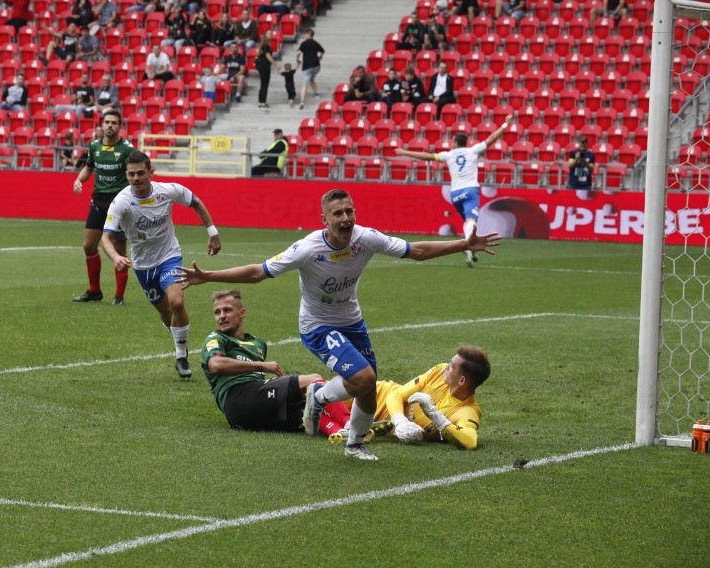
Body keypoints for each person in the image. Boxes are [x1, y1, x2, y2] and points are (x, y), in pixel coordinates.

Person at [177, 189, 501, 460]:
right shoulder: (306, 249)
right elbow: (258, 272)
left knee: (367, 389)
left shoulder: (366, 238)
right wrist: (209, 276)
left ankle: (346, 435)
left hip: (352, 322)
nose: (345, 218)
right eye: (338, 214)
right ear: (325, 220)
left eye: (349, 211)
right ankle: (337, 419)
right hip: (317, 326)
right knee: (364, 377)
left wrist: (463, 244)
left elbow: (415, 250)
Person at [101, 150, 221, 378]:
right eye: (131, 175)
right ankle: (178, 336)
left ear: (150, 172)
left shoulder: (167, 191)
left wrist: (212, 232)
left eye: (141, 174)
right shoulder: (121, 202)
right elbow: (105, 237)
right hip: (143, 265)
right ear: (126, 175)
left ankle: (181, 356)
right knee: (166, 312)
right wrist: (116, 257)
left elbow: (195, 202)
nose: (136, 179)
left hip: (169, 256)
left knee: (176, 303)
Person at [320, 345, 491, 450]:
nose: (446, 367)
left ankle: (350, 427)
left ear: (462, 380)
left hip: (373, 417)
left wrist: (436, 416)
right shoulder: (439, 372)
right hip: (377, 394)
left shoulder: (466, 410)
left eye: (452, 366)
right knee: (315, 387)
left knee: (308, 407)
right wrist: (399, 420)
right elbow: (397, 394)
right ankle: (348, 426)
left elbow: (470, 441)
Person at [202, 289, 325, 431]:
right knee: (315, 381)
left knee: (316, 407)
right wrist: (260, 365)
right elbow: (216, 365)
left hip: (253, 409)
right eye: (217, 312)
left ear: (241, 313)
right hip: (237, 398)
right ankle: (348, 427)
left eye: (227, 310)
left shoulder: (258, 344)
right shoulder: (216, 338)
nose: (221, 316)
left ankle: (341, 431)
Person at [395, 119, 510, 267]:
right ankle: (468, 246)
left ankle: (470, 246)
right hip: (470, 190)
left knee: (468, 222)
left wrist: (404, 152)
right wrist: (505, 124)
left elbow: (427, 156)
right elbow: (491, 138)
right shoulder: (473, 150)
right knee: (471, 221)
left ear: (455, 142)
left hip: (455, 194)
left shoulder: (448, 155)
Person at [72, 109, 135, 306]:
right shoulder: (94, 146)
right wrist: (79, 179)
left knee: (118, 249)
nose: (109, 126)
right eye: (107, 122)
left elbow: (135, 169)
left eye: (114, 123)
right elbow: (89, 167)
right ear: (102, 125)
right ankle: (94, 291)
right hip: (98, 201)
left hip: (118, 203)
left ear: (119, 126)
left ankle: (119, 296)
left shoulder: (126, 149)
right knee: (89, 246)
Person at [296, 28, 324, 110]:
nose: (304, 35)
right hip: (316, 66)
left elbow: (298, 52)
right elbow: (322, 51)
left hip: (307, 66)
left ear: (309, 35)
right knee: (311, 78)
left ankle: (302, 101)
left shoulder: (304, 44)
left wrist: (297, 59)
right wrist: (320, 57)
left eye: (305, 34)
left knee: (305, 84)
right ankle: (316, 93)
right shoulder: (316, 43)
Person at [254, 29, 278, 109]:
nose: (270, 34)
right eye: (268, 33)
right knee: (265, 84)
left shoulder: (263, 45)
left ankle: (260, 101)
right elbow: (268, 56)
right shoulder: (266, 45)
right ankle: (263, 102)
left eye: (271, 33)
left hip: (262, 66)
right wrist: (276, 64)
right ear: (265, 35)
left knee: (263, 84)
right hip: (265, 66)